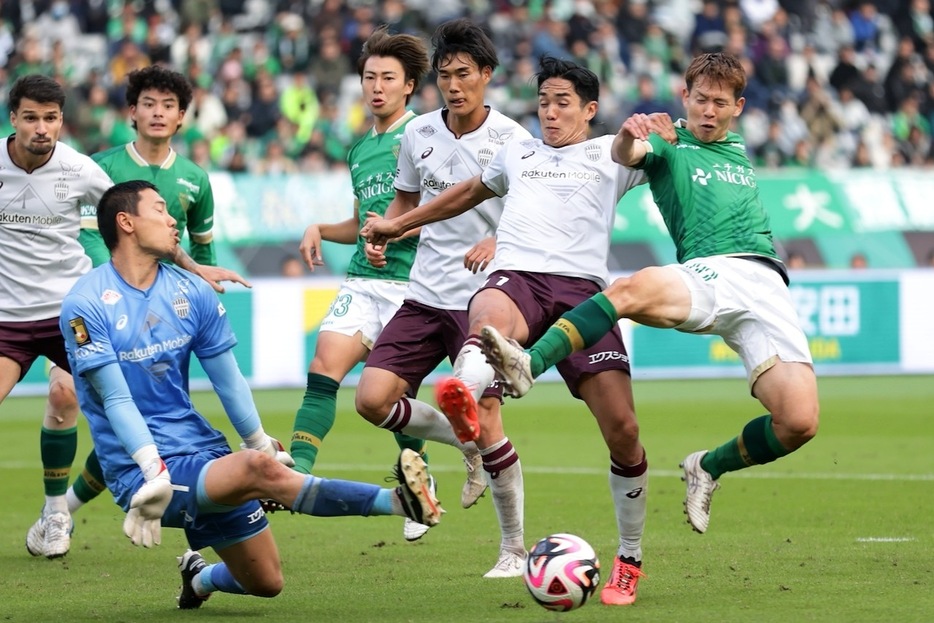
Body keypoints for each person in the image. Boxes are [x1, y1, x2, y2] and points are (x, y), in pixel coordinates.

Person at [363, 56, 675, 606]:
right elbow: (466, 194)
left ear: (590, 109)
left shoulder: (609, 150)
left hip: (583, 293)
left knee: (623, 431)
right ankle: (469, 385)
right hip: (521, 277)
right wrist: (397, 223)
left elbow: (635, 153)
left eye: (563, 103)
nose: (550, 113)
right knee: (486, 314)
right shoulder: (520, 150)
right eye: (544, 101)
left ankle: (629, 557)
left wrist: (640, 133)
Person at [479, 52, 820, 541]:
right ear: (685, 96)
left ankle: (707, 467)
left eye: (718, 103)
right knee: (629, 289)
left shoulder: (738, 149)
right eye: (699, 99)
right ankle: (529, 364)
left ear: (737, 107)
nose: (707, 110)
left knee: (799, 422)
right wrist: (629, 134)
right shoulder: (667, 140)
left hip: (767, 284)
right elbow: (626, 156)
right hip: (709, 271)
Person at [59, 179, 442, 608]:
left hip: (201, 450)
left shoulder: (190, 289)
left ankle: (198, 579)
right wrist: (152, 469)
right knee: (258, 471)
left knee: (265, 581)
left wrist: (259, 441)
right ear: (125, 222)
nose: (173, 220)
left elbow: (228, 380)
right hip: (145, 470)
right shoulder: (86, 303)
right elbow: (116, 399)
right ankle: (397, 502)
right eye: (161, 210)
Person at [353, 18, 532, 578]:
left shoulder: (514, 140)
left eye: (464, 75)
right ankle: (465, 447)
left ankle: (514, 549)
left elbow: (534, 217)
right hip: (426, 293)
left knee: (486, 410)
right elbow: (408, 206)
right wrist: (387, 232)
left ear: (486, 75)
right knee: (372, 399)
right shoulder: (418, 135)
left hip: (485, 298)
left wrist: (497, 236)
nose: (454, 86)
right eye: (445, 75)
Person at [48, 65, 250, 540]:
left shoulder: (195, 178)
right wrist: (117, 286)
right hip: (107, 310)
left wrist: (201, 283)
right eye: (149, 104)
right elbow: (93, 240)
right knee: (74, 397)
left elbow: (201, 250)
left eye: (169, 106)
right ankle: (59, 506)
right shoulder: (101, 167)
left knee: (140, 417)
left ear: (182, 117)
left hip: (165, 314)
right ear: (131, 113)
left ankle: (67, 507)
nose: (158, 113)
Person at [288, 26, 461, 543]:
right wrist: (324, 228)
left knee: (393, 394)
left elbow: (449, 211)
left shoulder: (428, 137)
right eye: (369, 77)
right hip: (365, 280)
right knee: (323, 368)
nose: (376, 87)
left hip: (413, 284)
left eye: (388, 78)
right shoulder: (361, 148)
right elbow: (363, 218)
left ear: (409, 86)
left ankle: (418, 476)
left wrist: (397, 230)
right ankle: (291, 473)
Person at [0, 75, 113, 559]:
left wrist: (186, 267)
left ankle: (54, 514)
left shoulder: (80, 170)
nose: (41, 128)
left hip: (68, 311)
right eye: (31, 117)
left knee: (66, 393)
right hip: (7, 319)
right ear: (13, 119)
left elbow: (128, 219)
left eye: (50, 118)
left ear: (61, 121)